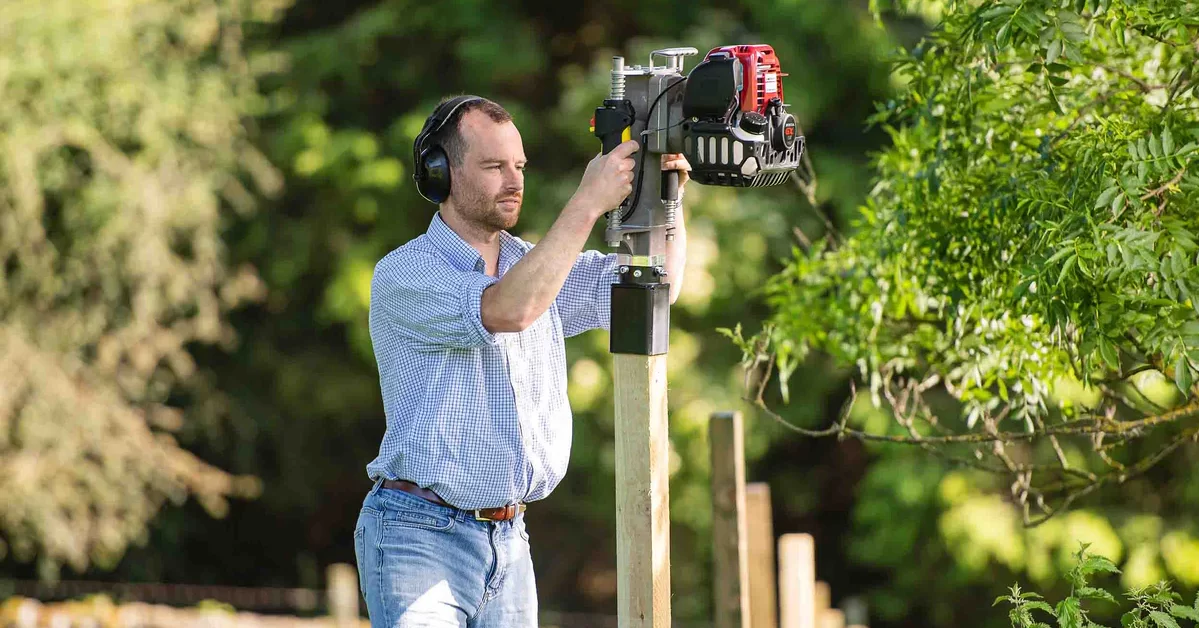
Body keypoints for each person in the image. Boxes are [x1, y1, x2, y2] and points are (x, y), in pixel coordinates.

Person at [354, 94, 690, 628]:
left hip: (510, 544)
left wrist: (667, 199)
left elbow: (656, 287)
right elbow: (509, 308)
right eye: (493, 167)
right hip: (417, 536)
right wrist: (587, 203)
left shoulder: (533, 264)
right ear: (440, 173)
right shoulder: (404, 273)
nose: (514, 181)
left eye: (519, 166)